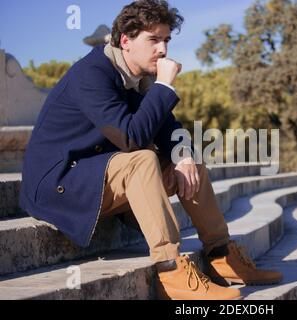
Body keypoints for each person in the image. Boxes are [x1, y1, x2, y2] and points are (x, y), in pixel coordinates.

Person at [19, 0, 282, 300]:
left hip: (97, 174)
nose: (163, 50)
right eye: (154, 40)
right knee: (142, 159)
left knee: (188, 160)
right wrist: (164, 87)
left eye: (166, 39)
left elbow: (168, 129)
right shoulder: (91, 74)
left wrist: (183, 156)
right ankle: (170, 269)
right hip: (59, 183)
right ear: (125, 41)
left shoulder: (138, 79)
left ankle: (222, 255)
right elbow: (131, 138)